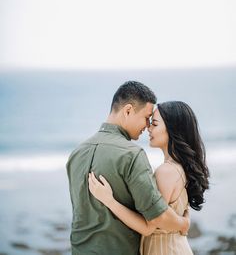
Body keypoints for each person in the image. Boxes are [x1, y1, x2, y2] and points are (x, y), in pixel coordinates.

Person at [67, 82, 190, 255]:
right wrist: (183, 223)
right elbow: (155, 218)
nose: (147, 125)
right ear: (128, 111)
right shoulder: (131, 155)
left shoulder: (76, 153)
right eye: (147, 118)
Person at [89, 101, 210, 255]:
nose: (148, 128)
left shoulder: (166, 171)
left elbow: (147, 227)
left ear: (173, 130)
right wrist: (182, 223)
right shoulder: (179, 167)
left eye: (154, 124)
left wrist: (109, 201)